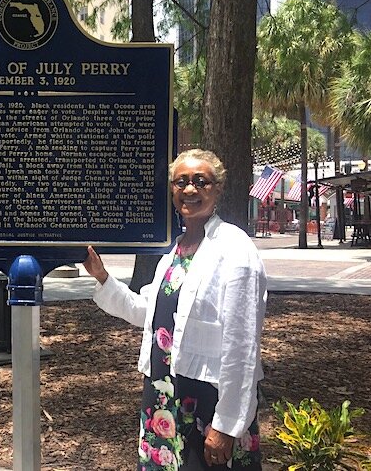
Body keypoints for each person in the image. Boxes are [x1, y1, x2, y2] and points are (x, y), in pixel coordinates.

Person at [84, 149, 266, 470]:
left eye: (201, 181)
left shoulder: (235, 249)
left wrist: (226, 425)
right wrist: (102, 277)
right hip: (163, 392)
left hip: (206, 400)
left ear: (218, 188)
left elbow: (243, 347)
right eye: (181, 182)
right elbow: (149, 315)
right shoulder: (173, 253)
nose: (190, 189)